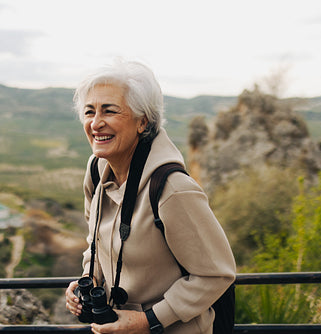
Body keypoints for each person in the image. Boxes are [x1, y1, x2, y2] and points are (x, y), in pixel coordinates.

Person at [65, 59, 236, 334]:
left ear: (142, 121)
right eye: (89, 112)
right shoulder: (97, 171)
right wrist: (89, 277)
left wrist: (147, 320)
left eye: (109, 111)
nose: (96, 123)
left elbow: (217, 273)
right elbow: (96, 240)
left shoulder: (172, 189)